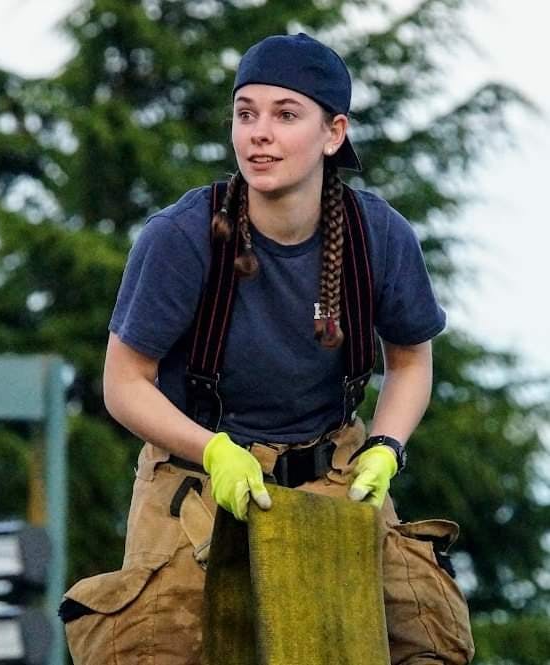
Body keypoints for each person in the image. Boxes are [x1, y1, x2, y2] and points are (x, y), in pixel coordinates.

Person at [103, 33, 474, 665]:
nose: (259, 134)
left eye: (285, 114)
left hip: (336, 472)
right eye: (245, 114)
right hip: (195, 477)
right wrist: (214, 451)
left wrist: (385, 449)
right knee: (151, 649)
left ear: (333, 134)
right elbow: (124, 382)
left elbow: (410, 361)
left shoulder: (379, 236)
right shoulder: (181, 236)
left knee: (427, 641)